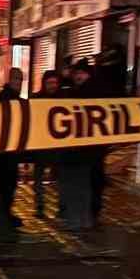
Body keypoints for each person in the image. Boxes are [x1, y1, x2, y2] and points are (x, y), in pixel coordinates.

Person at [56, 60, 99, 231]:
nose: (78, 76)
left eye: (82, 73)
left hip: (80, 150)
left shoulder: (87, 92)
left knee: (76, 185)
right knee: (79, 185)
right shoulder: (74, 91)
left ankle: (77, 220)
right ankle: (82, 219)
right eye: (76, 73)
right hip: (77, 150)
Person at [90, 46, 128, 221]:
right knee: (95, 171)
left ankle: (93, 208)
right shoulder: (106, 82)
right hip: (99, 134)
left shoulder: (100, 81)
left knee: (95, 171)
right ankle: (94, 208)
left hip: (98, 134)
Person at [0, 67, 26, 225]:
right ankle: (4, 215)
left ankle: (5, 213)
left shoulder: (14, 97)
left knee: (9, 183)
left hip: (11, 149)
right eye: (16, 79)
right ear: (10, 80)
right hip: (5, 151)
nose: (18, 83)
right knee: (6, 183)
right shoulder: (5, 97)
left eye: (20, 80)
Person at [31, 70, 61, 216]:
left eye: (55, 83)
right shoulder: (37, 99)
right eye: (50, 83)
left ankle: (62, 207)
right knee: (38, 179)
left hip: (57, 147)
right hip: (41, 147)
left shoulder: (63, 99)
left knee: (60, 179)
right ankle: (40, 206)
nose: (52, 86)